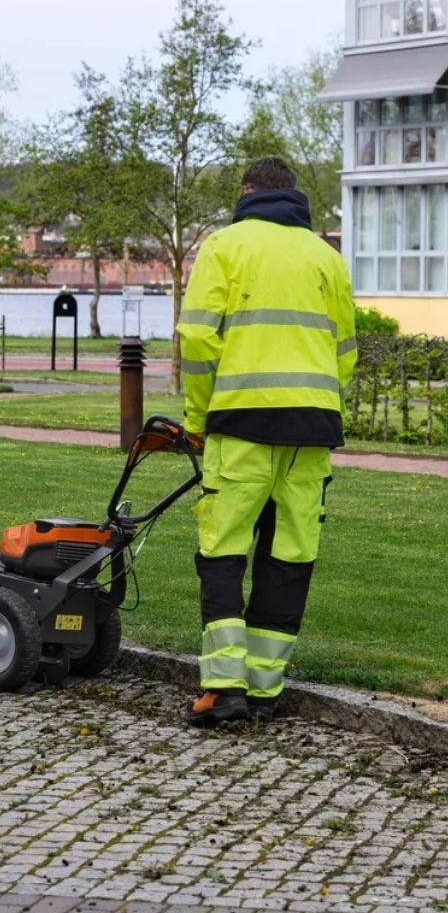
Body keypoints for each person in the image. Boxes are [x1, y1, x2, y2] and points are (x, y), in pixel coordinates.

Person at [176, 157, 357, 727]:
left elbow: (199, 341)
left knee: (223, 551)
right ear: (295, 195)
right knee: (289, 556)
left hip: (242, 427)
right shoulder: (328, 258)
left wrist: (199, 416)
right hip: (311, 431)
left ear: (246, 192)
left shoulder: (224, 247)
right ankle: (263, 690)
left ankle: (223, 689)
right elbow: (345, 355)